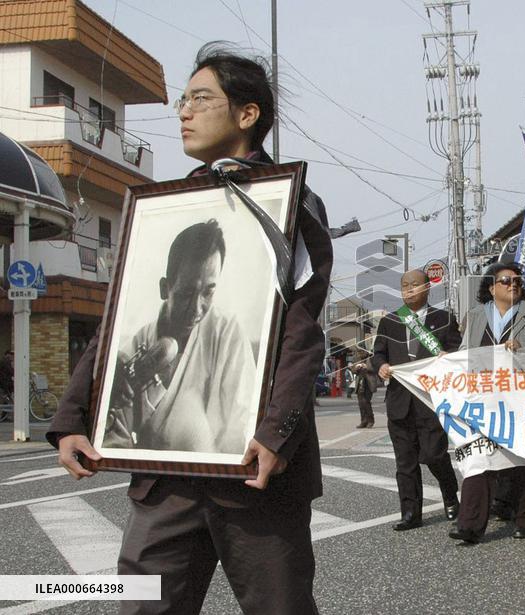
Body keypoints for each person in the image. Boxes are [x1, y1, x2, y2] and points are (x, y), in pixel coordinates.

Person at [48, 43, 333, 614]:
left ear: (247, 114)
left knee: (280, 607)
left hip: (256, 472)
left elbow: (301, 331)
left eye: (201, 99)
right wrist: (72, 417)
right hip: (165, 476)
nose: (183, 111)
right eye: (183, 100)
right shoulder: (166, 207)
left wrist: (276, 433)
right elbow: (120, 317)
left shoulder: (287, 201)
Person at [102, 219, 257, 454]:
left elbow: (242, 423)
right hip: (156, 480)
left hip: (217, 481)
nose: (197, 308)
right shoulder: (137, 343)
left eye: (208, 292)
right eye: (186, 293)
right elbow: (116, 435)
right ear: (165, 288)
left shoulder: (228, 333)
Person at [448, 262, 525, 543]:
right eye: (506, 281)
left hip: (523, 399)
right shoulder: (474, 316)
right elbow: (464, 353)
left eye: (518, 282)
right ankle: (469, 525)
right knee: (478, 458)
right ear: (491, 287)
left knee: (522, 459)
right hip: (483, 398)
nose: (513, 285)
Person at [372, 269, 461, 530]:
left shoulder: (443, 319)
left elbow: (457, 351)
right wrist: (381, 365)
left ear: (427, 288)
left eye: (414, 285)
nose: (409, 289)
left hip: (430, 400)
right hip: (399, 401)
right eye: (404, 286)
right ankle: (410, 512)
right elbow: (378, 352)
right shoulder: (390, 321)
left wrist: (447, 355)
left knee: (435, 454)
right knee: (405, 462)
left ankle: (449, 495)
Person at [350, 351, 379, 428]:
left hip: (368, 383)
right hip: (360, 383)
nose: (360, 354)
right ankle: (363, 421)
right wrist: (356, 368)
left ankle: (370, 421)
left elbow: (376, 368)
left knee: (366, 402)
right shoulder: (357, 359)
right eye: (359, 352)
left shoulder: (371, 357)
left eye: (361, 352)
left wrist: (366, 367)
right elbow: (352, 370)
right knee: (361, 403)